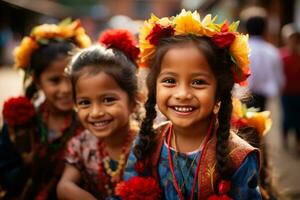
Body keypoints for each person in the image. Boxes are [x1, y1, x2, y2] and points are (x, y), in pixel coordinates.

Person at [117, 10, 262, 200]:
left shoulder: (238, 157)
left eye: (198, 82)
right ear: (154, 87)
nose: (183, 94)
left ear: (219, 91)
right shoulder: (147, 143)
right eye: (170, 81)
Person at [0, 19, 91, 199]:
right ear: (36, 79)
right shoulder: (20, 122)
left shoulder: (89, 122)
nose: (65, 89)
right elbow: (4, 170)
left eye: (70, 79)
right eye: (55, 80)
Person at [57, 29, 140, 199]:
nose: (96, 112)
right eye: (85, 103)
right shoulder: (81, 145)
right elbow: (64, 186)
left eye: (108, 100)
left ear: (133, 102)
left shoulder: (149, 145)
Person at [242, 7, 285, 111]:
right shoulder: (272, 51)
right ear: (264, 29)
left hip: (241, 97)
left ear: (245, 28)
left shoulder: (241, 50)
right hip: (265, 100)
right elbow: (280, 81)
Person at [279, 24, 300, 152]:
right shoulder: (280, 56)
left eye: (295, 39)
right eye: (290, 39)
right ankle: (285, 139)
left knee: (298, 119)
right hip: (286, 93)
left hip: (298, 93)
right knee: (287, 117)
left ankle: (297, 143)